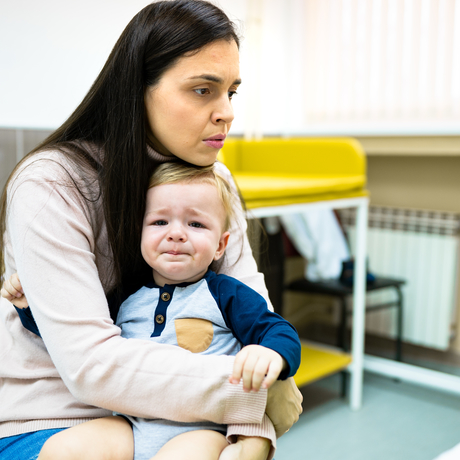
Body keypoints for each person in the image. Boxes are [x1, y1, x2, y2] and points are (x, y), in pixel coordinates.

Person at [0, 1, 303, 459]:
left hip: (180, 410)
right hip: (55, 409)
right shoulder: (50, 183)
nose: (226, 113)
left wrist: (251, 431)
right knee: (112, 447)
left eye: (231, 93)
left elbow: (253, 327)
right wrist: (254, 395)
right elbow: (92, 366)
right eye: (203, 90)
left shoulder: (213, 181)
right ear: (137, 89)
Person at [9, 162, 301, 460]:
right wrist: (31, 308)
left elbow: (278, 330)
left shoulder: (226, 293)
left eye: (196, 224)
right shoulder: (125, 296)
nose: (176, 234)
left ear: (221, 245)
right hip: (132, 423)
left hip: (200, 429)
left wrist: (271, 355)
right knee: (65, 450)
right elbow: (70, 335)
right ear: (140, 232)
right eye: (160, 222)